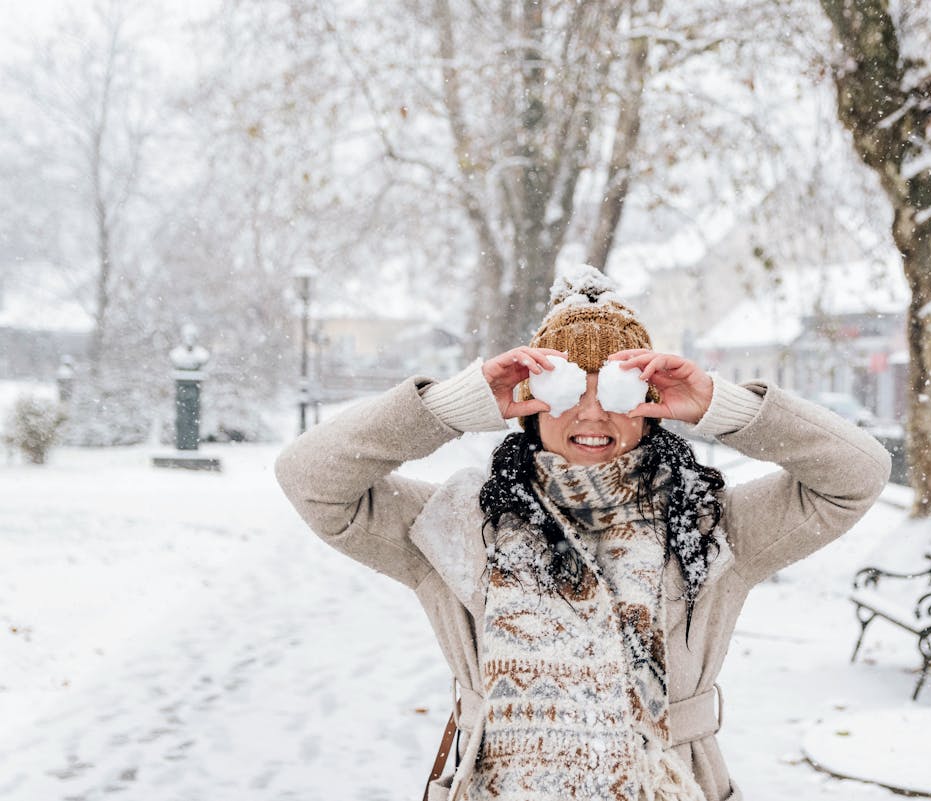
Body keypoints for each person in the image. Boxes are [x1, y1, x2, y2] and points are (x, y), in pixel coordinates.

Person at [275, 266, 891, 801]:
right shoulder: (458, 526)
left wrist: (719, 406)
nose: (592, 413)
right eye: (569, 389)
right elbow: (309, 478)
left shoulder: (709, 525)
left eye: (617, 392)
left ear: (651, 401)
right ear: (531, 399)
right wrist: (449, 407)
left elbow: (857, 474)